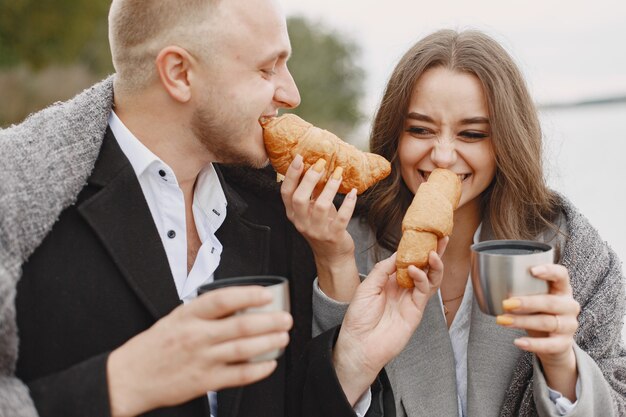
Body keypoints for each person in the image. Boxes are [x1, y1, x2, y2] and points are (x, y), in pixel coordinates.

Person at [0, 0, 435, 416]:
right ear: (179, 73)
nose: (291, 93)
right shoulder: (22, 208)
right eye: (267, 69)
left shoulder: (278, 215)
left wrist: (353, 363)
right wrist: (118, 383)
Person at [281, 29, 626, 416]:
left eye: (472, 134)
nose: (443, 156)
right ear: (395, 135)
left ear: (507, 142)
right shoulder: (337, 236)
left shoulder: (570, 251)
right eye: (420, 130)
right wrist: (334, 264)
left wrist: (562, 360)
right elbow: (306, 396)